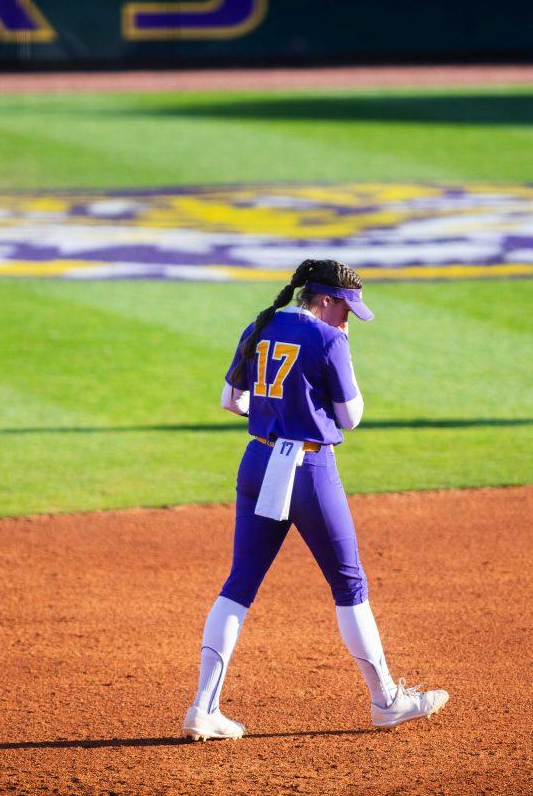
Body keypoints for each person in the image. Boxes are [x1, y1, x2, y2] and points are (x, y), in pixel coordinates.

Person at [182, 258, 450, 741]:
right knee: (349, 583)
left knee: (239, 582)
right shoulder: (329, 339)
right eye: (345, 308)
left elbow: (230, 399)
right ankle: (386, 701)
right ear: (324, 299)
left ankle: (204, 707)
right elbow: (351, 417)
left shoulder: (261, 323)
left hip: (258, 461)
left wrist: (276, 411)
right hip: (308, 468)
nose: (349, 319)